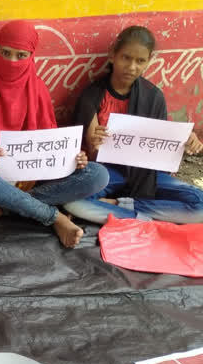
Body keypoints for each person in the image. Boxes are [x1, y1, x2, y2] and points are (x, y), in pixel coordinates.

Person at [0, 20, 109, 248]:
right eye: (5, 53)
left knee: (97, 174)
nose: (11, 62)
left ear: (31, 56)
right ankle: (53, 216)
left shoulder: (37, 89)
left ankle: (5, 208)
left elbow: (52, 148)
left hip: (30, 179)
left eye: (20, 55)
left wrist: (75, 159)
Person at [62, 26, 203, 223]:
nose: (132, 67)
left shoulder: (153, 97)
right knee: (74, 202)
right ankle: (151, 218)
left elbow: (160, 148)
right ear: (113, 55)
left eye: (140, 61)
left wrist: (185, 140)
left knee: (200, 205)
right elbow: (90, 155)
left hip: (145, 175)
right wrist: (95, 143)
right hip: (106, 173)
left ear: (149, 61)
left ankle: (122, 208)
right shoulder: (93, 96)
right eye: (126, 58)